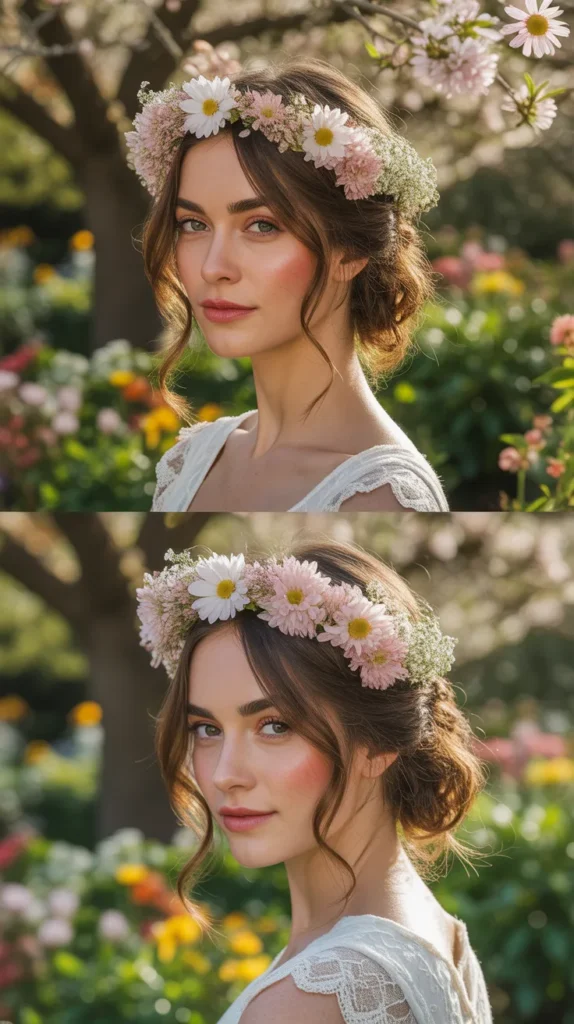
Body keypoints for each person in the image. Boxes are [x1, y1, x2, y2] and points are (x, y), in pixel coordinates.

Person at [136, 537, 493, 1023]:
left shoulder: (309, 1001)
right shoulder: (433, 932)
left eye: (275, 726)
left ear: (378, 743)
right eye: (207, 729)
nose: (224, 776)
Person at [126, 57, 450, 512]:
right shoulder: (194, 457)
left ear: (350, 250)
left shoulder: (379, 496)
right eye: (193, 223)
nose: (212, 267)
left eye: (261, 226)